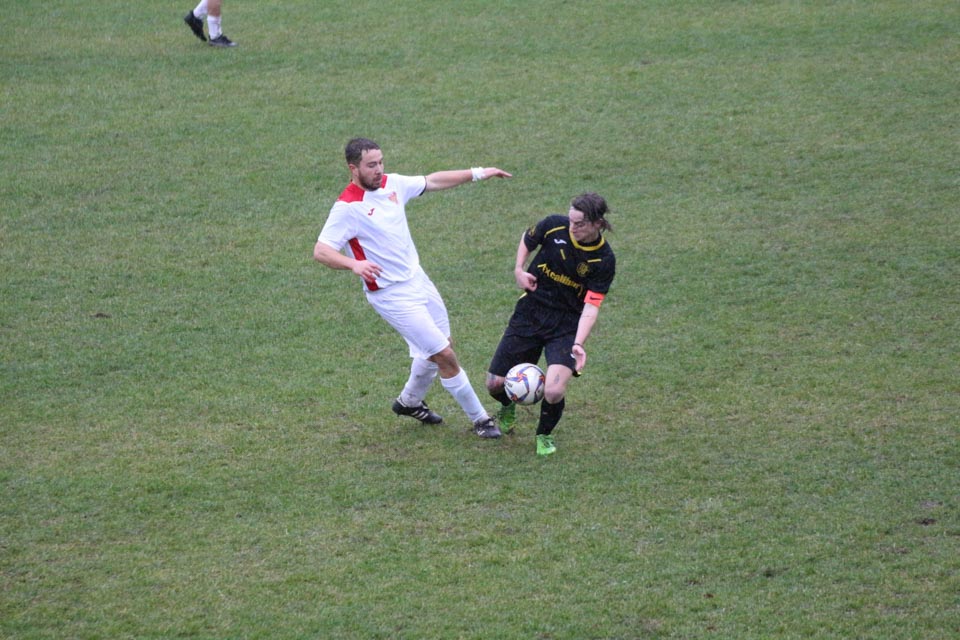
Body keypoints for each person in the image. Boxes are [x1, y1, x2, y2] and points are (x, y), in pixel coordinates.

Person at [313, 138, 512, 439]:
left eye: (381, 162)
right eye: (371, 165)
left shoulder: (392, 184)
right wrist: (354, 265)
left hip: (418, 279)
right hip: (390, 295)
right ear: (353, 168)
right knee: (444, 355)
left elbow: (433, 181)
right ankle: (481, 420)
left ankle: (409, 401)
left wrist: (479, 172)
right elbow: (321, 250)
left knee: (442, 344)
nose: (379, 169)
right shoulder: (347, 207)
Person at [485, 193, 616, 456]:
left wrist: (578, 344)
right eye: (571, 220)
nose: (572, 227)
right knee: (495, 384)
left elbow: (591, 306)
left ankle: (544, 434)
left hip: (566, 325)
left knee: (554, 390)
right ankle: (508, 405)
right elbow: (528, 238)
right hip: (530, 313)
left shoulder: (603, 260)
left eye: (579, 224)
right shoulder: (554, 225)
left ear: (598, 224)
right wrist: (519, 269)